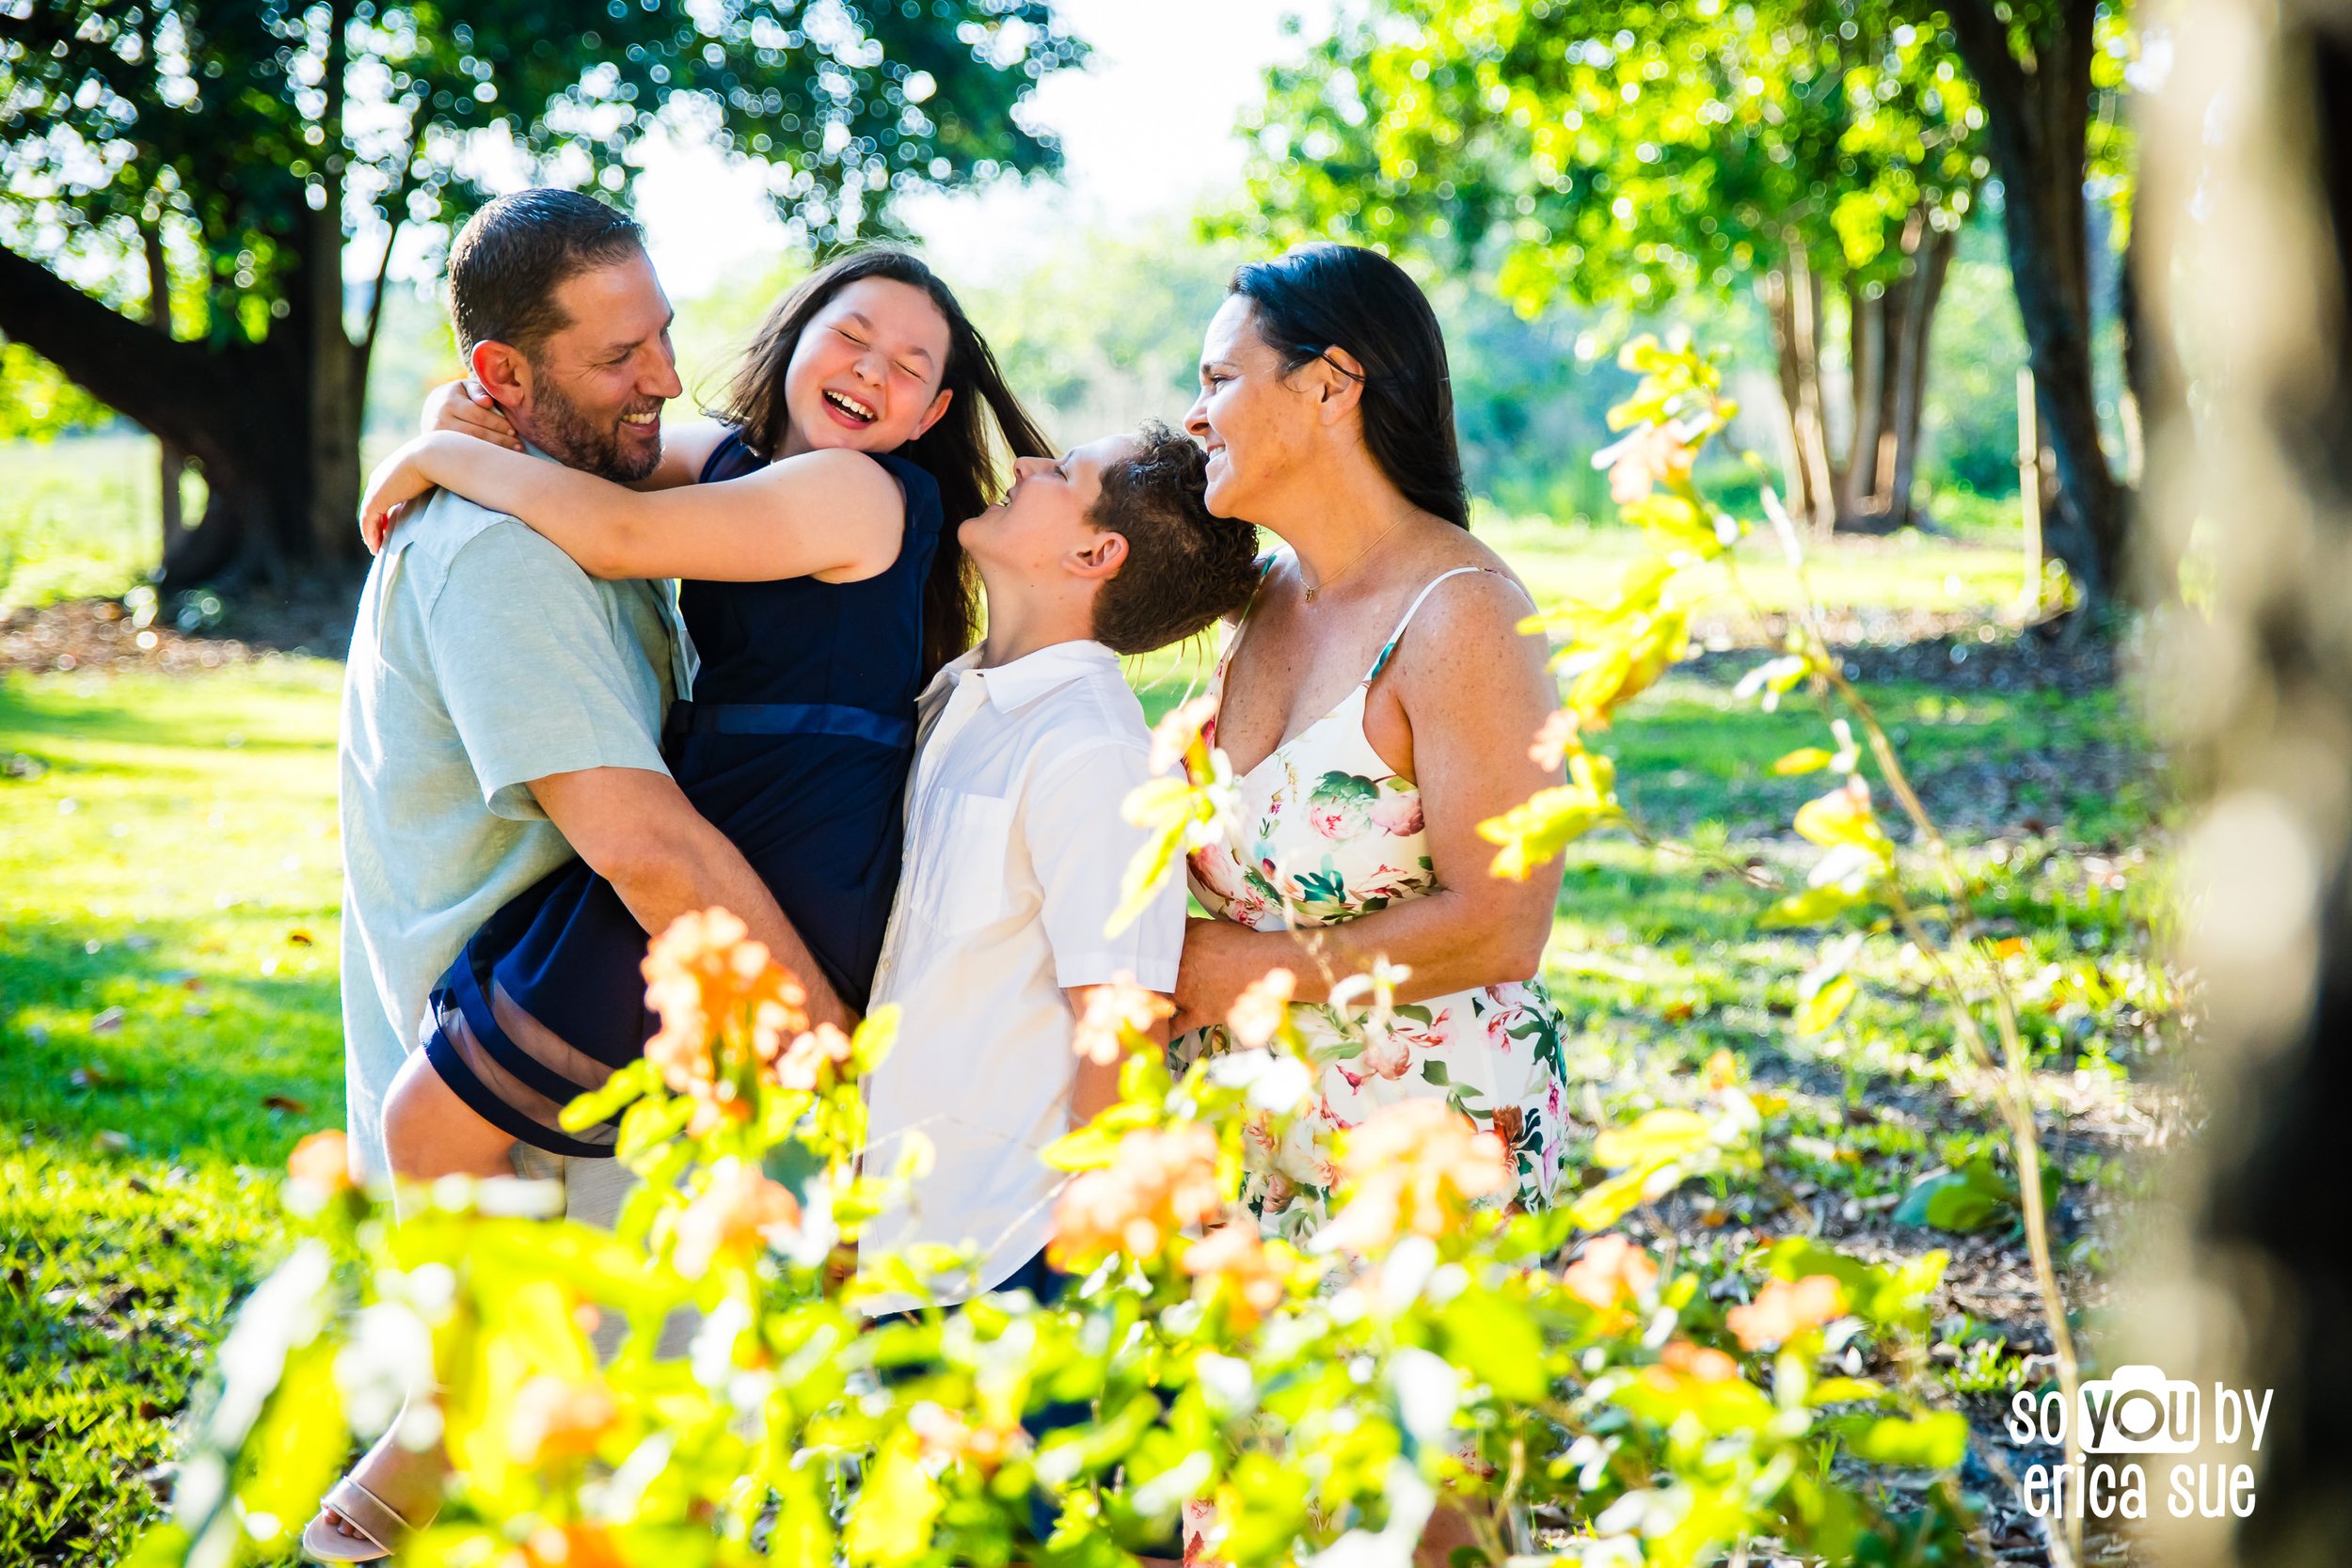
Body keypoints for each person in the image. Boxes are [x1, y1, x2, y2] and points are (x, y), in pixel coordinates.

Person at [312, 234, 1049, 1560]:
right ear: (796, 334)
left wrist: (434, 460)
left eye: (911, 367)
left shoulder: (854, 493)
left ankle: (437, 1443)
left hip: (784, 854)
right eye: (852, 335)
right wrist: (452, 413)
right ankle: (469, 1443)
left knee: (427, 1125)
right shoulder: (746, 461)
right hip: (729, 816)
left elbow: (620, 528)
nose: (873, 373)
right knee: (457, 1122)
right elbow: (595, 455)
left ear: (936, 415)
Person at [1168, 243, 1571, 1562]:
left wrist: (1251, 971)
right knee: (1236, 1515)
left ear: (1329, 385)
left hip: (1422, 1143)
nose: (1195, 409)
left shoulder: (1464, 615)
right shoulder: (1261, 602)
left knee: (1406, 1522)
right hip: (1252, 1141)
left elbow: (1503, 919)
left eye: (1221, 375)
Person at [856, 422, 1259, 1556]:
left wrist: (1080, 1298)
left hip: (1025, 1258)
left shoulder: (1087, 747)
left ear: (1096, 557)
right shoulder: (963, 702)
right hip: (924, 1239)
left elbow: (1119, 1025)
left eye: (1061, 474)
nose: (1025, 464)